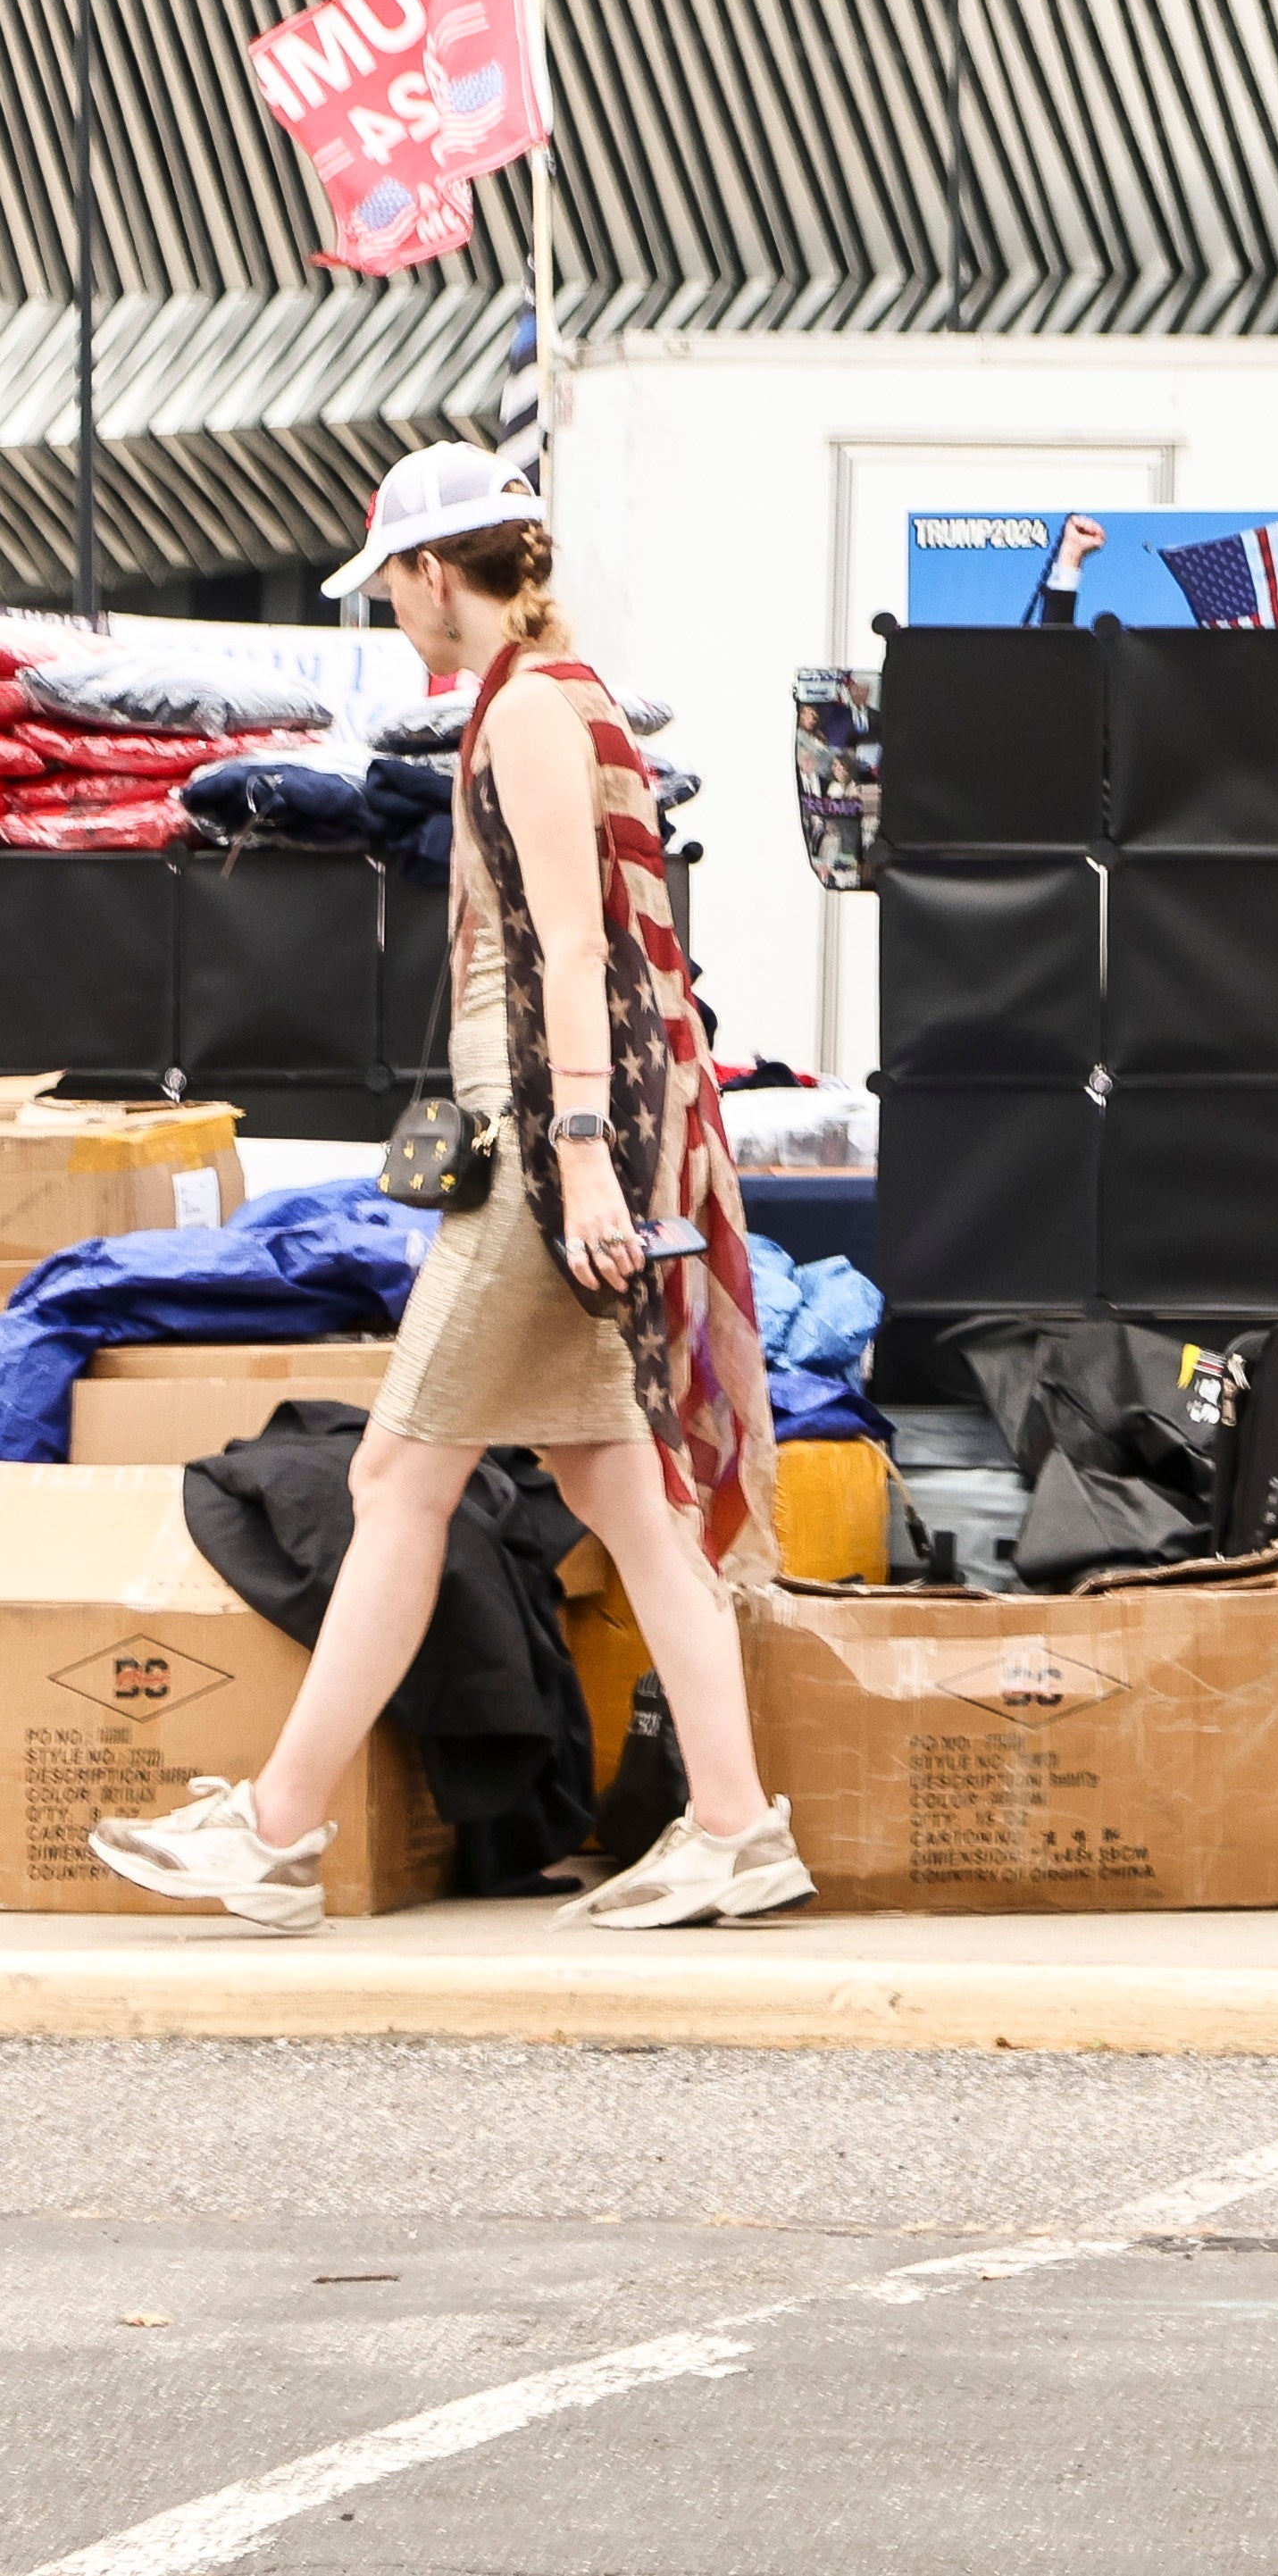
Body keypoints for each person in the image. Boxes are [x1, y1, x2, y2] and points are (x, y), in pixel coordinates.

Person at [94, 447, 800, 1932]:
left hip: (543, 1159)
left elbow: (563, 947)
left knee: (395, 1477)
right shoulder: (562, 698)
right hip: (560, 1147)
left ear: (433, 570)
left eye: (397, 587)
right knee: (622, 1493)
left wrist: (588, 1164)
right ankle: (735, 1822)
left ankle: (276, 1832)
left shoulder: (531, 712)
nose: (400, 619)